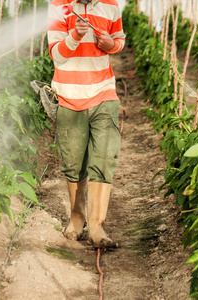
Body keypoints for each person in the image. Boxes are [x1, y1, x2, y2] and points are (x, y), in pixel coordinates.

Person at [47, 0, 125, 248]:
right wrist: (75, 36)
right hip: (69, 96)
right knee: (73, 162)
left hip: (104, 93)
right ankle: (76, 219)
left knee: (104, 157)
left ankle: (97, 227)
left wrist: (110, 45)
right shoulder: (59, 6)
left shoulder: (111, 5)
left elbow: (119, 40)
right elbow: (56, 54)